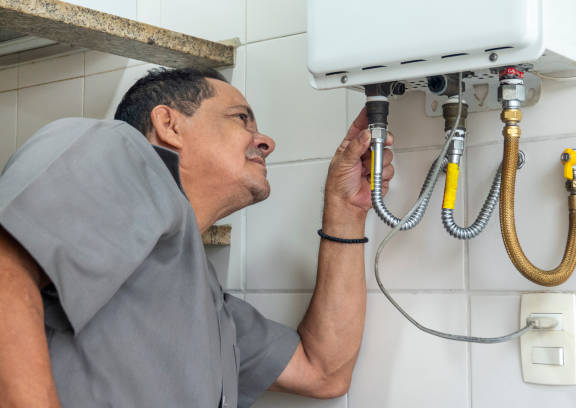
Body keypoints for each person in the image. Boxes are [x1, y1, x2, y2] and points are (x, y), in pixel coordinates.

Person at [0, 67, 394, 407]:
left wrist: (346, 211)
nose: (266, 142)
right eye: (241, 118)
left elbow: (323, 371)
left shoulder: (204, 304)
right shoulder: (117, 147)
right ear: (169, 125)